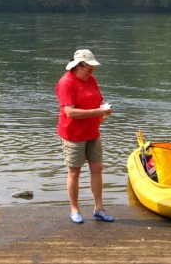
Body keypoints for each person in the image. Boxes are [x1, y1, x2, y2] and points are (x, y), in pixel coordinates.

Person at [56, 49, 114, 224]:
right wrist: (97, 111)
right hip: (73, 133)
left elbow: (97, 100)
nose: (92, 72)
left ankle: (99, 209)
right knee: (74, 172)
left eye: (92, 68)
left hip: (92, 130)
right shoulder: (66, 83)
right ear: (78, 67)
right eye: (89, 68)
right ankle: (74, 210)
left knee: (97, 168)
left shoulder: (91, 79)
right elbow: (70, 112)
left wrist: (103, 108)